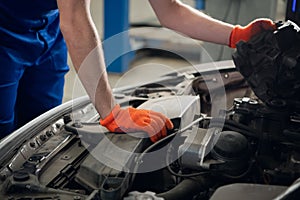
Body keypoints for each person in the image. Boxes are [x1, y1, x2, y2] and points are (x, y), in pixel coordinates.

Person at [0, 0, 275, 142]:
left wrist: (237, 35)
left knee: (34, 135)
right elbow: (76, 22)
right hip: (4, 29)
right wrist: (111, 113)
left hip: (47, 26)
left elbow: (170, 11)